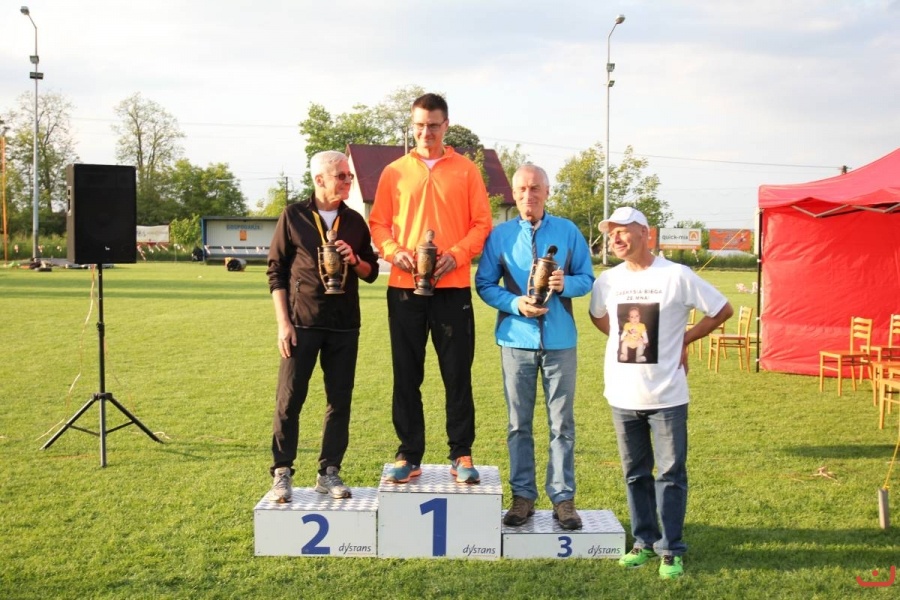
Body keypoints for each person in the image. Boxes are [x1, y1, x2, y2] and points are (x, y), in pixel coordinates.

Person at [588, 206, 732, 579]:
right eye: (611, 233)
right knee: (635, 473)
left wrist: (684, 339)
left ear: (645, 233)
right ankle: (643, 541)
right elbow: (597, 315)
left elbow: (721, 309)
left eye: (623, 230)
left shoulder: (677, 275)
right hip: (622, 395)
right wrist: (621, 340)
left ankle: (670, 549)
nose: (615, 238)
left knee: (670, 474)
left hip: (667, 397)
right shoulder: (607, 280)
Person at [369, 92, 493, 484]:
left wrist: (457, 254)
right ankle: (408, 453)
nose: (427, 133)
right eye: (420, 126)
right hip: (404, 288)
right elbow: (378, 224)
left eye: (434, 125)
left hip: (452, 287)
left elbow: (482, 224)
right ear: (412, 126)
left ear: (446, 126)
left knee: (457, 374)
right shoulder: (394, 172)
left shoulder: (467, 171)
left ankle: (461, 453)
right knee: (406, 373)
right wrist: (394, 252)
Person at [475, 164, 594, 530]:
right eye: (523, 189)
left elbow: (587, 278)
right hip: (515, 340)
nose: (529, 195)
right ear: (514, 194)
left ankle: (563, 499)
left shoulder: (568, 231)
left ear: (547, 191)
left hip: (560, 342)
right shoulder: (500, 235)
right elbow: (484, 284)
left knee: (562, 424)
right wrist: (515, 303)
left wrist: (565, 284)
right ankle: (522, 497)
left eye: (536, 188)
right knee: (518, 425)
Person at [266, 150, 379, 503]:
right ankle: (282, 471)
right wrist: (283, 323)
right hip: (302, 323)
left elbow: (371, 272)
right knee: (289, 399)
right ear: (319, 180)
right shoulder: (293, 216)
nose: (348, 181)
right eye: (341, 175)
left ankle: (329, 471)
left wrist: (354, 259)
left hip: (344, 325)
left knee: (339, 401)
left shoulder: (355, 221)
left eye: (349, 176)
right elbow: (276, 272)